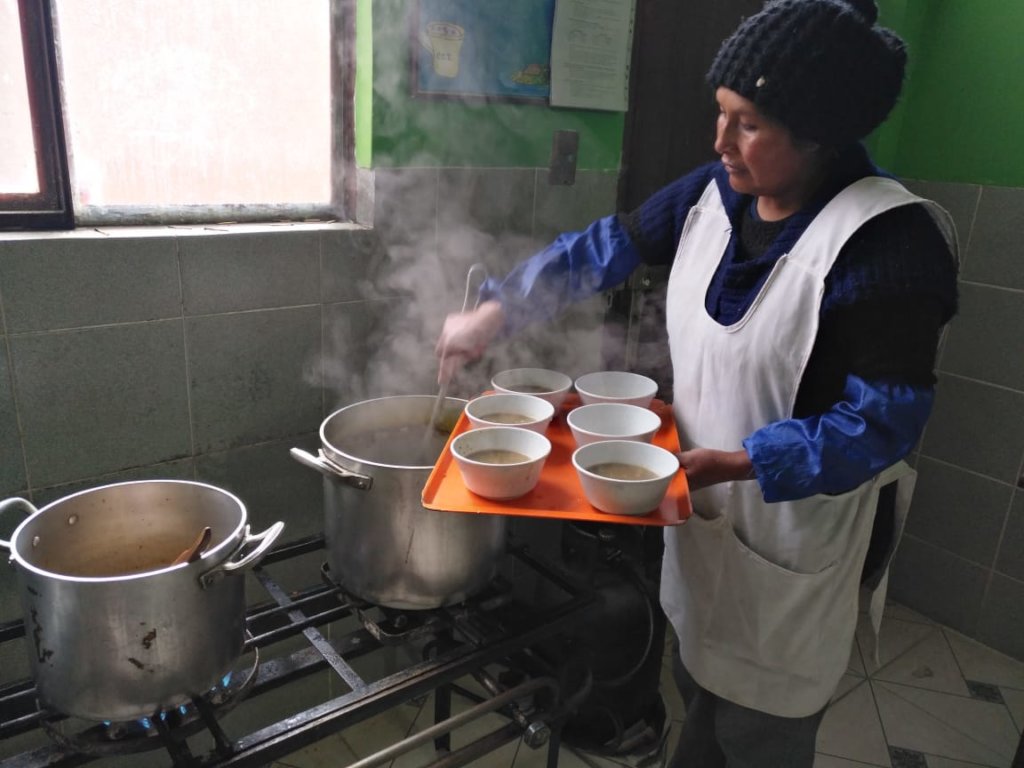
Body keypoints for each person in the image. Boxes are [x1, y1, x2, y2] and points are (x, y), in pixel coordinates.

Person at [434, 0, 959, 765]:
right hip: (706, 533)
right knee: (695, 700)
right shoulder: (714, 193)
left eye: (747, 123)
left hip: (790, 554)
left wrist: (737, 460)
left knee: (760, 737)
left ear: (819, 133)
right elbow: (606, 247)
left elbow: (882, 426)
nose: (719, 141)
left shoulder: (888, 243)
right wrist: (496, 312)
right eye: (721, 114)